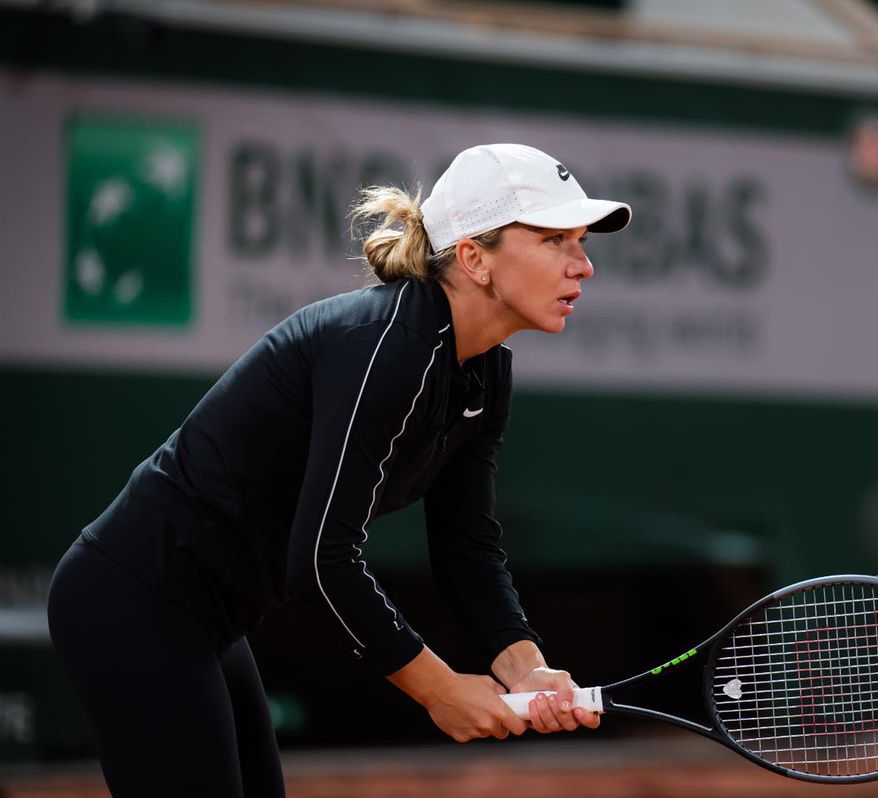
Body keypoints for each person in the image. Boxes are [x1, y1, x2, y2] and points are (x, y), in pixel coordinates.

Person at [47, 143, 632, 798]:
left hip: (208, 621)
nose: (582, 265)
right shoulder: (389, 351)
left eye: (580, 241)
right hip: (133, 599)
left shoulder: (486, 369)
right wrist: (440, 690)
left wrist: (525, 669)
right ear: (473, 257)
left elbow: (467, 547)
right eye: (555, 240)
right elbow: (324, 561)